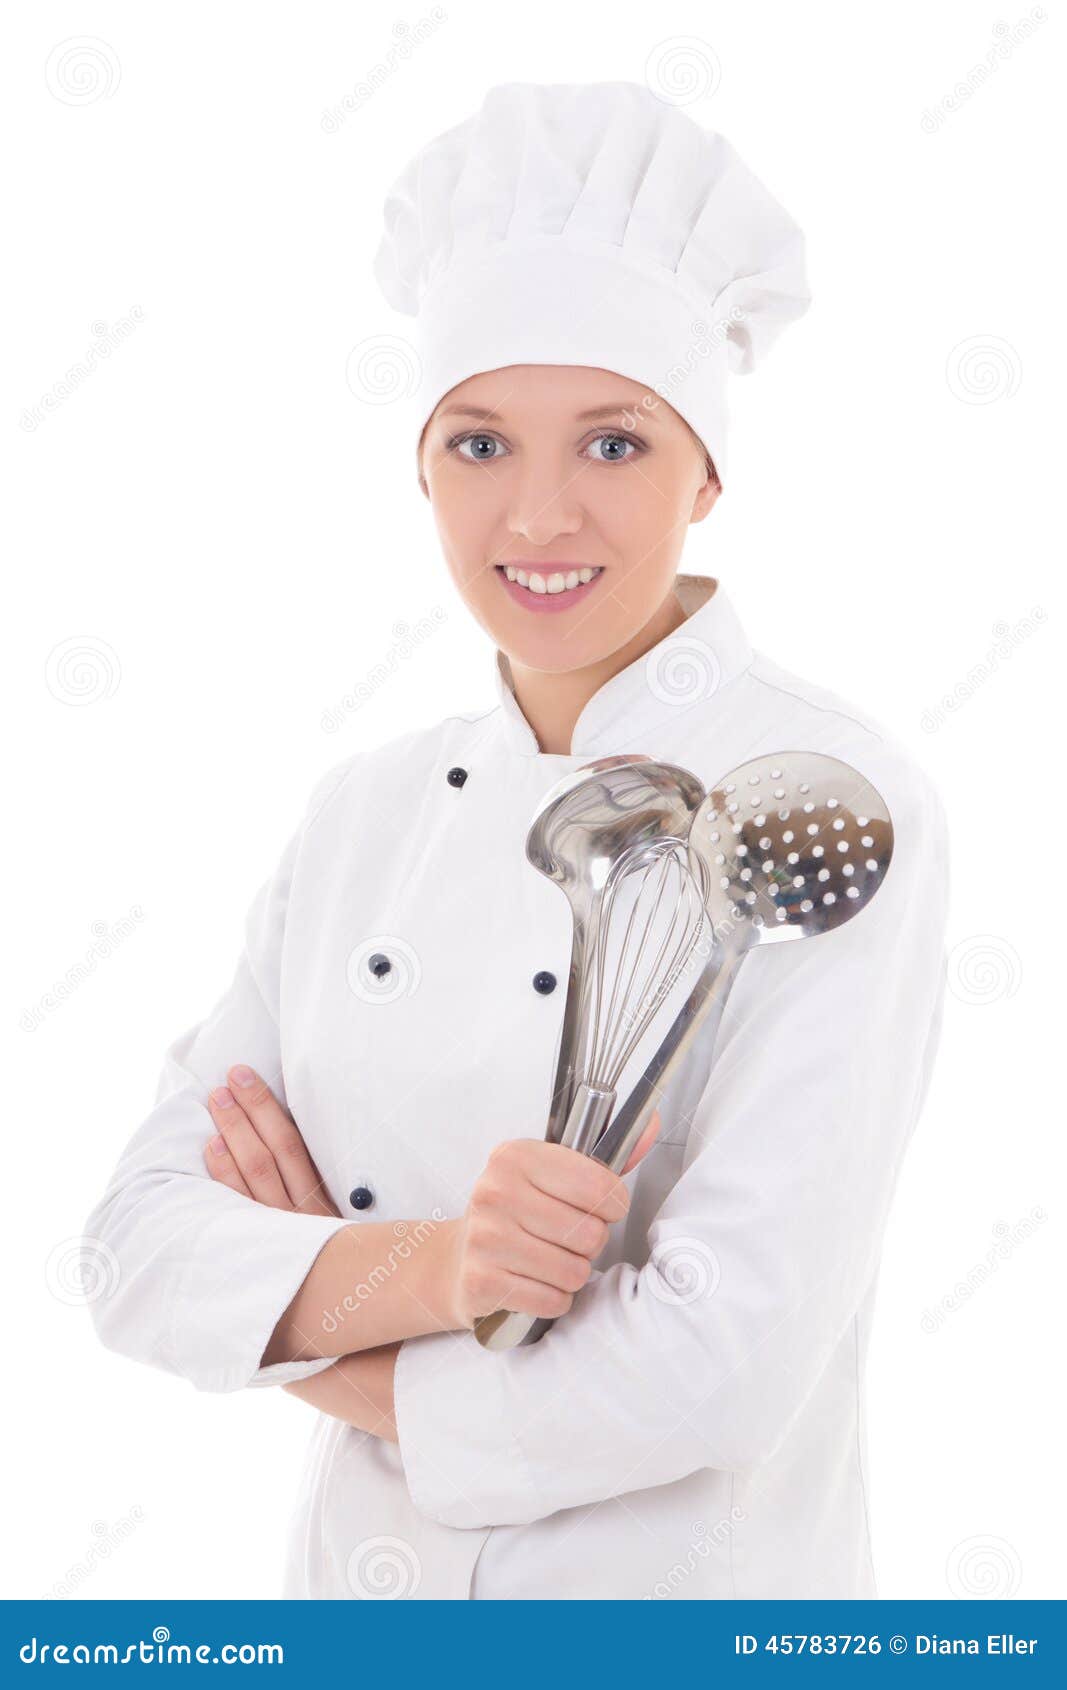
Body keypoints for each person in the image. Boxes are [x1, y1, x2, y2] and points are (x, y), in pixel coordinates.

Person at [82, 81, 950, 1600]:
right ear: (420, 468)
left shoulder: (822, 794)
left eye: (611, 444)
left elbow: (719, 1361)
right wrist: (439, 1268)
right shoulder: (363, 811)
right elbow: (139, 1248)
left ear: (710, 473)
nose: (538, 515)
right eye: (479, 444)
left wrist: (314, 1337)